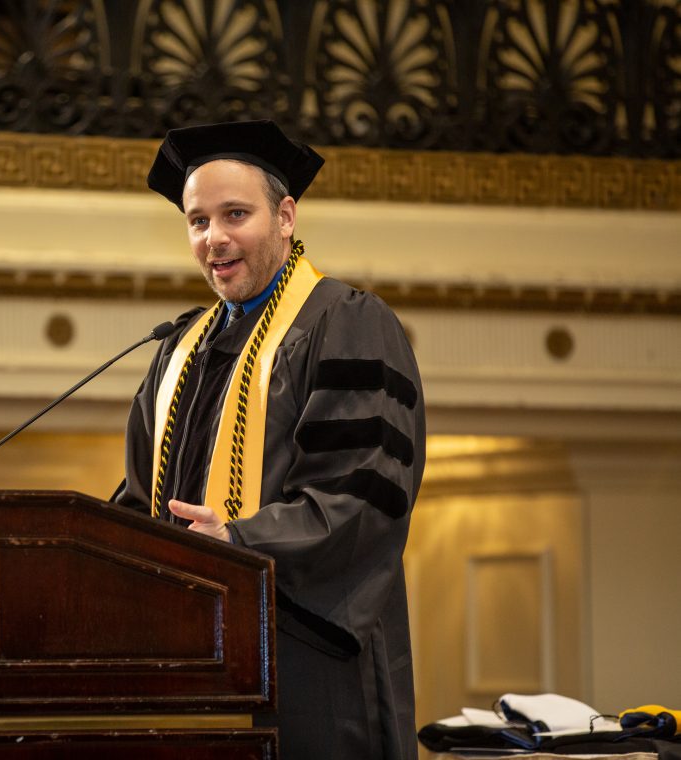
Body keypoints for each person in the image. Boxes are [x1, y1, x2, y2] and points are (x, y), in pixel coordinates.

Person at [112, 120, 426, 759]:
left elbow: (361, 498)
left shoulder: (347, 323)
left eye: (235, 214)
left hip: (307, 660)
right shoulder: (178, 350)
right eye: (198, 221)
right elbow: (140, 503)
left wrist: (234, 542)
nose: (214, 238)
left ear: (286, 216)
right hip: (192, 657)